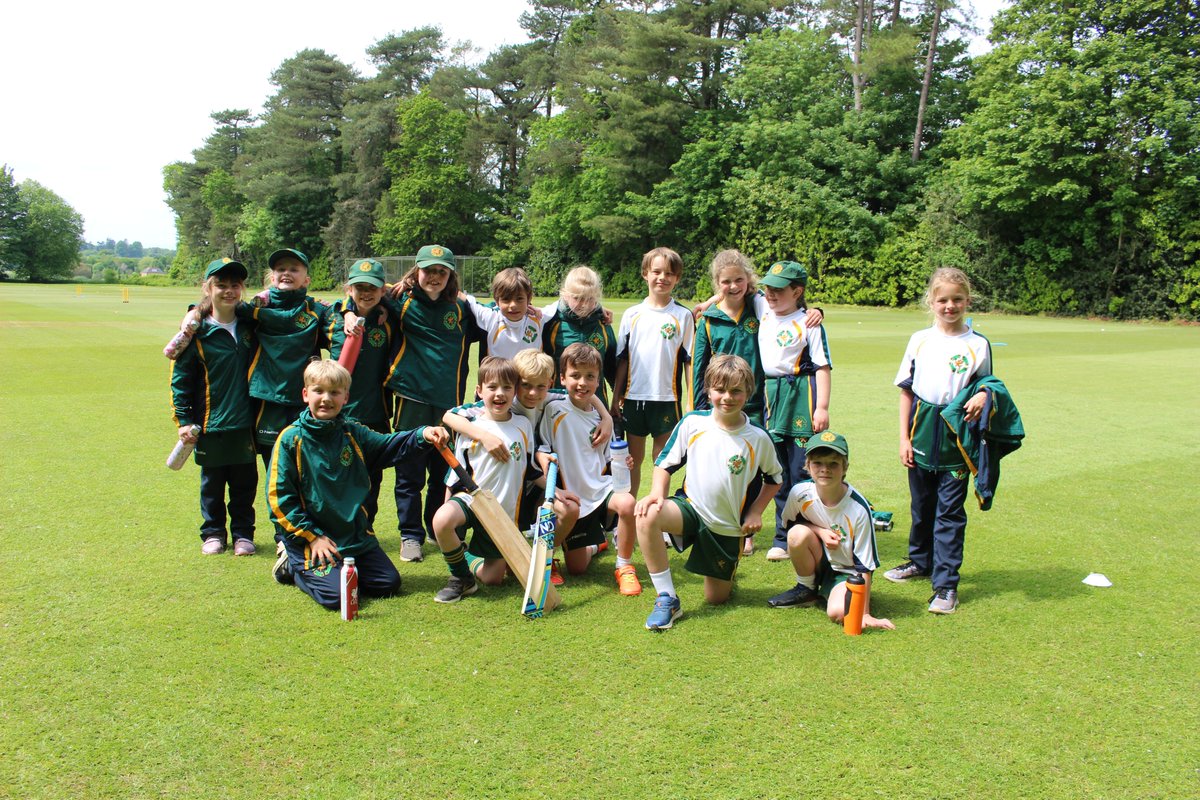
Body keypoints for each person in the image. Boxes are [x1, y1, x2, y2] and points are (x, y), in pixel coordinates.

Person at [267, 360, 448, 610]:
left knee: (388, 583)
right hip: (314, 539)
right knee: (339, 597)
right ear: (305, 394)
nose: (326, 399)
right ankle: (293, 565)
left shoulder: (352, 433)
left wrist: (423, 434)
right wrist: (312, 537)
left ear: (345, 397)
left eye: (334, 392)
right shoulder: (290, 439)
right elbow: (279, 498)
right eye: (318, 391)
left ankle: (338, 568)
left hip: (354, 537)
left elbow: (388, 445)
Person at [634, 355, 783, 630]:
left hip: (727, 527)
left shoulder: (758, 438)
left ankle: (728, 571)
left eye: (736, 390)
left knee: (716, 598)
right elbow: (665, 464)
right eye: (720, 390)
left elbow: (774, 479)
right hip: (690, 509)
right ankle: (667, 597)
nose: (727, 397)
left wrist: (755, 511)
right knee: (646, 514)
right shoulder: (693, 423)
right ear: (708, 389)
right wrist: (657, 493)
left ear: (748, 392)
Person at [351, 244, 478, 564]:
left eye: (441, 271)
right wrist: (347, 313)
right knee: (409, 474)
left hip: (449, 405)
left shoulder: (462, 309)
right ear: (416, 271)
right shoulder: (399, 301)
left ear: (450, 276)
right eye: (428, 270)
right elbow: (360, 298)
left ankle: (435, 528)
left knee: (441, 471)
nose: (434, 276)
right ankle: (411, 536)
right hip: (411, 399)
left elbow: (503, 315)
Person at [691, 250, 823, 555]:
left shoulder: (759, 308)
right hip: (721, 405)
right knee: (723, 466)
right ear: (717, 283)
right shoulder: (709, 320)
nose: (733, 286)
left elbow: (789, 306)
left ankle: (747, 531)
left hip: (759, 403)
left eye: (739, 280)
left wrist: (814, 309)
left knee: (755, 468)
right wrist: (698, 408)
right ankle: (715, 522)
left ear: (749, 282)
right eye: (726, 281)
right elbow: (699, 367)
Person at [442, 348, 613, 584]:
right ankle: (483, 554)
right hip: (504, 481)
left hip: (534, 478)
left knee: (568, 515)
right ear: (514, 383)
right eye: (525, 385)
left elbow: (585, 394)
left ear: (550, 383)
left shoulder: (549, 396)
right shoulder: (499, 404)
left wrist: (607, 417)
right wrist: (483, 436)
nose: (533, 393)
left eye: (541, 386)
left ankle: (546, 559)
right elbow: (449, 417)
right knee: (496, 574)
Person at [884, 268, 991, 614]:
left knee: (949, 513)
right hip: (920, 431)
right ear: (930, 301)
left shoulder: (977, 344)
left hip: (956, 438)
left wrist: (984, 395)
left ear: (967, 301)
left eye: (957, 299)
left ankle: (946, 586)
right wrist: (903, 438)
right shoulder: (920, 340)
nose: (950, 306)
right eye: (942, 299)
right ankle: (920, 562)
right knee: (922, 506)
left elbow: (990, 387)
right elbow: (906, 392)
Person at [170, 258, 259, 556]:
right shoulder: (196, 333)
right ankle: (213, 533)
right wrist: (184, 420)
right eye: (221, 285)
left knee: (245, 485)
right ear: (207, 288)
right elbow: (181, 381)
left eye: (235, 285)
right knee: (213, 485)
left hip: (245, 423)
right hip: (210, 424)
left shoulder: (250, 325)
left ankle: (244, 534)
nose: (229, 291)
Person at [430, 357, 536, 603]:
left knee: (493, 579)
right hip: (472, 500)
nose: (500, 394)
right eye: (492, 387)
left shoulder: (523, 425)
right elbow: (456, 472)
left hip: (502, 512)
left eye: (507, 388)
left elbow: (528, 470)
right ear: (479, 391)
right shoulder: (470, 426)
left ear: (516, 391)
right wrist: (447, 505)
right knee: (442, 520)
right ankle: (461, 578)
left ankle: (466, 556)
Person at [766, 431, 895, 631]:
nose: (825, 469)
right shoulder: (799, 493)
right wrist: (819, 531)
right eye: (818, 463)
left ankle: (837, 592)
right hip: (819, 560)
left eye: (833, 463)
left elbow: (865, 566)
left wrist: (865, 613)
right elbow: (790, 526)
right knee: (797, 534)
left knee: (837, 612)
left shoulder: (858, 509)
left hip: (847, 571)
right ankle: (806, 589)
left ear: (845, 468)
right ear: (807, 466)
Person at [538, 343, 638, 591]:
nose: (582, 383)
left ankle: (624, 566)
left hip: (600, 491)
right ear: (562, 378)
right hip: (572, 497)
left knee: (627, 503)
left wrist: (622, 464)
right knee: (578, 569)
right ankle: (596, 544)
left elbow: (607, 461)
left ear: (598, 380)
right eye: (575, 376)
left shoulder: (601, 422)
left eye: (590, 377)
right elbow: (542, 449)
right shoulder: (553, 409)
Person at [756, 261, 832, 562]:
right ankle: (782, 536)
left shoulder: (810, 323)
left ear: (796, 291)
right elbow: (733, 288)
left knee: (802, 471)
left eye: (778, 289)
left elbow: (823, 366)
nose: (770, 294)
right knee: (777, 472)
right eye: (768, 288)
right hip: (771, 397)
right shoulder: (763, 309)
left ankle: (807, 532)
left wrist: (822, 407)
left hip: (802, 394)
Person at [610, 246, 695, 493]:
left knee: (662, 463)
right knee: (632, 462)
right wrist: (615, 398)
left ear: (677, 278)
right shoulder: (632, 314)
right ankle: (627, 516)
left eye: (669, 273)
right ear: (645, 273)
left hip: (667, 400)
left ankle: (657, 517)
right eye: (656, 271)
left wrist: (690, 403)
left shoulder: (683, 316)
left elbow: (689, 361)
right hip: (634, 399)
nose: (662, 277)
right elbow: (623, 360)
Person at [328, 258, 394, 526]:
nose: (366, 293)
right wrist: (346, 312)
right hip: (336, 414)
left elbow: (408, 293)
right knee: (337, 475)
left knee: (371, 478)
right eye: (359, 287)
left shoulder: (389, 320)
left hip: (375, 414)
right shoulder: (332, 318)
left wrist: (386, 304)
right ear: (348, 290)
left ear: (382, 290)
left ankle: (366, 530)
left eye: (373, 288)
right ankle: (338, 529)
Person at [540, 266, 617, 404]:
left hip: (596, 407)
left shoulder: (603, 324)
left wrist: (618, 399)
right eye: (578, 298)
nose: (584, 305)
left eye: (589, 299)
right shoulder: (551, 322)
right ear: (565, 294)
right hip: (557, 404)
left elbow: (612, 368)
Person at [466, 267, 544, 361]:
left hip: (529, 375)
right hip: (499, 375)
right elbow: (464, 298)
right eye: (506, 299)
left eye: (519, 298)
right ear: (497, 301)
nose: (513, 305)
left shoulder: (539, 317)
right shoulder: (491, 317)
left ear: (529, 298)